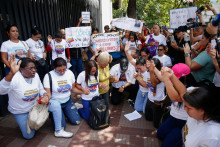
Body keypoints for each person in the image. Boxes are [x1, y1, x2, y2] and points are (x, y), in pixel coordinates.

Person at [158, 67, 220, 146]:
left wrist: (167, 79)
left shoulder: (212, 135)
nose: (185, 109)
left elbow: (177, 97)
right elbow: (183, 94)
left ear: (202, 110)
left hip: (180, 123)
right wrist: (171, 76)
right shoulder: (193, 117)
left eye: (189, 108)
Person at [0, 57, 49, 139]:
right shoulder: (15, 78)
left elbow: (41, 88)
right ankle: (27, 123)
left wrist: (45, 95)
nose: (34, 70)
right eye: (31, 68)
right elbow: (1, 91)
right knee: (28, 136)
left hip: (35, 108)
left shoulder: (35, 75)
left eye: (35, 68)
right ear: (21, 69)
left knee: (38, 121)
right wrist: (11, 73)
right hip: (20, 111)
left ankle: (30, 123)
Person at [156, 64, 194, 147]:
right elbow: (161, 77)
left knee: (166, 145)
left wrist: (167, 79)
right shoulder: (172, 83)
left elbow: (178, 97)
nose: (172, 80)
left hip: (184, 122)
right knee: (159, 134)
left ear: (185, 77)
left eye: (175, 77)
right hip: (173, 118)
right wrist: (153, 67)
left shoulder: (192, 90)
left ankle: (184, 137)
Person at [43, 57, 82, 138]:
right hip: (55, 102)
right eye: (59, 70)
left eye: (64, 69)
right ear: (54, 68)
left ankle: (67, 110)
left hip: (67, 101)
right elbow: (48, 94)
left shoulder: (69, 73)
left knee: (76, 121)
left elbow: (73, 88)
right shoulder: (48, 76)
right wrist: (46, 101)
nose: (62, 72)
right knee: (62, 126)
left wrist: (83, 91)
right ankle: (55, 113)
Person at [145, 58, 165, 129]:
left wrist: (151, 71)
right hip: (150, 99)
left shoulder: (161, 75)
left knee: (156, 125)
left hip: (157, 101)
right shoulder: (148, 72)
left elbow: (154, 84)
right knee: (147, 118)